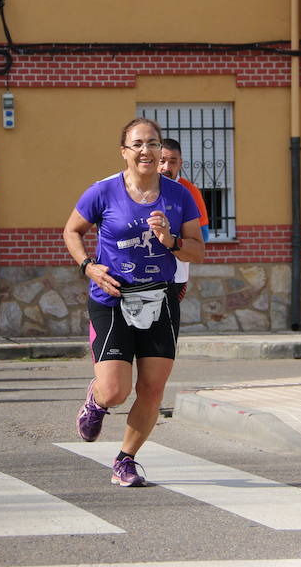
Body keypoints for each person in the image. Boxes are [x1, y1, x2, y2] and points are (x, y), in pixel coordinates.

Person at [63, 117, 204, 487]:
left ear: (161, 152)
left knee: (153, 389)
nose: (146, 151)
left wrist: (169, 240)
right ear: (125, 151)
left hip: (161, 297)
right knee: (115, 391)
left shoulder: (179, 196)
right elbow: (72, 231)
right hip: (111, 298)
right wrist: (88, 267)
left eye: (153, 144)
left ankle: (125, 460)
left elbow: (197, 250)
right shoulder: (102, 191)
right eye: (138, 144)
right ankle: (96, 401)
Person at [157, 138, 209, 301]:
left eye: (172, 162)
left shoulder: (189, 191)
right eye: (162, 161)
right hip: (143, 276)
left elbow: (203, 236)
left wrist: (172, 239)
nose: (166, 167)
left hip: (176, 276)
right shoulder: (142, 187)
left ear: (180, 163)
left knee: (168, 324)